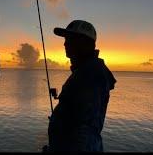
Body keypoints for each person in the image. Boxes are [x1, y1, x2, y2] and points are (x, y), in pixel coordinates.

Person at [44, 20, 117, 152]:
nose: (65, 43)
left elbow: (84, 130)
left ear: (84, 42)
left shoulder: (90, 75)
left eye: (69, 39)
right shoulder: (86, 71)